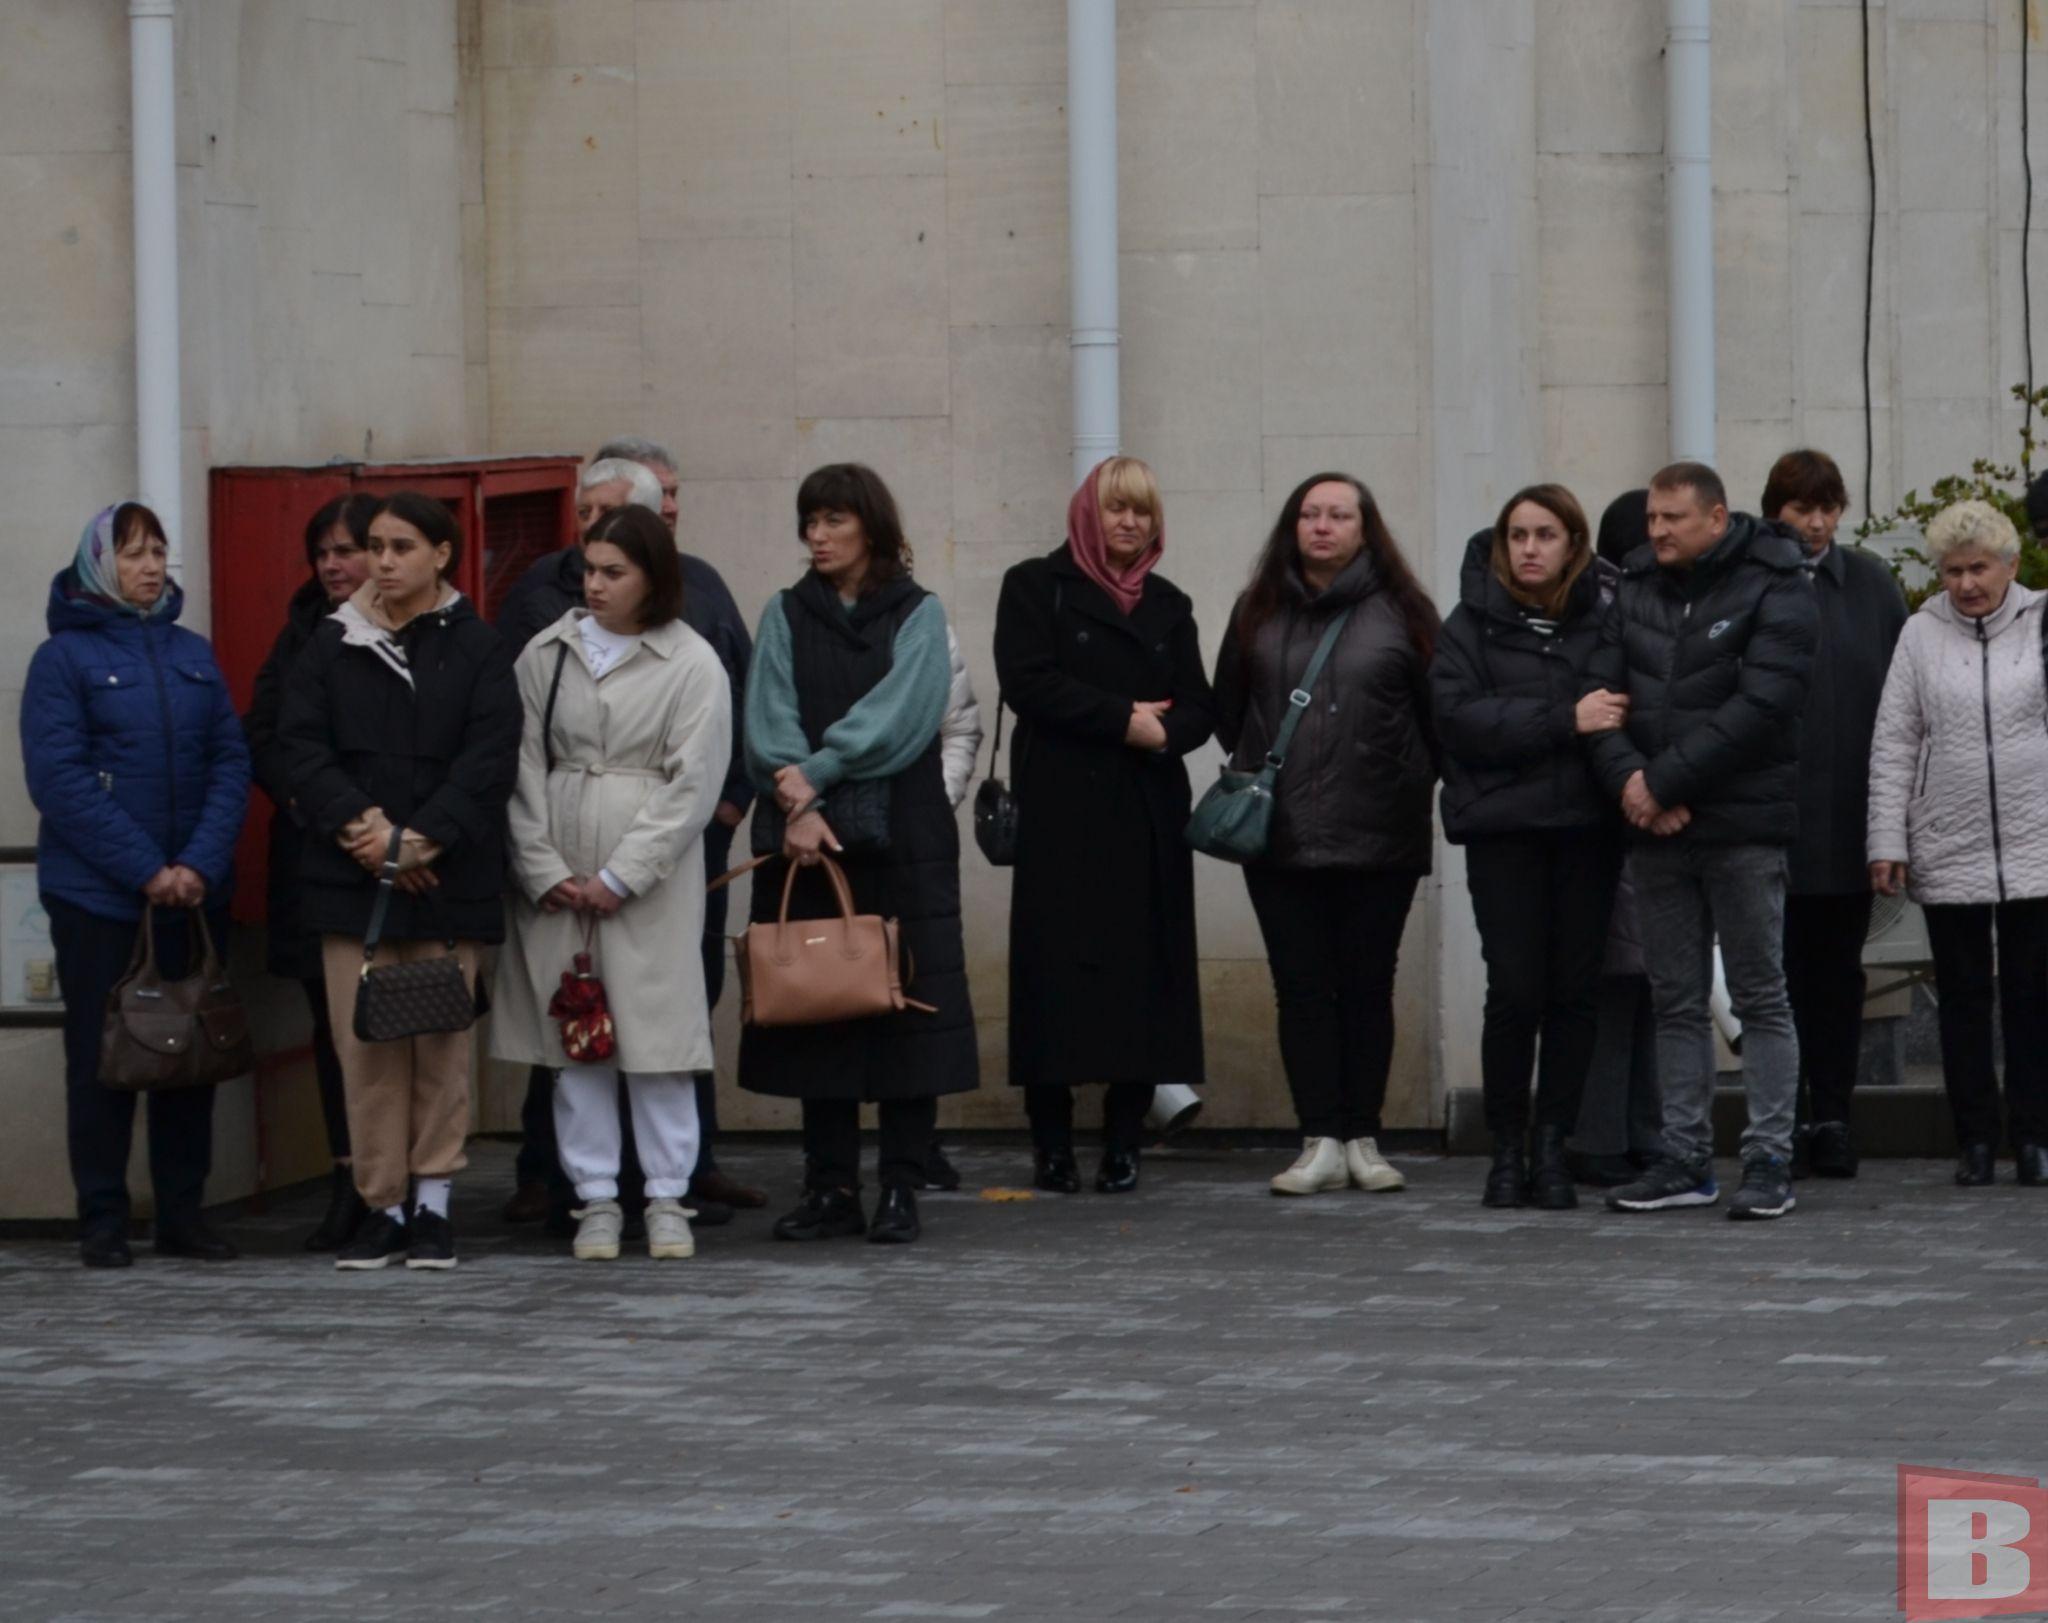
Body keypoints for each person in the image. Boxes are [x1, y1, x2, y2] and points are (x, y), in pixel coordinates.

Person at [497, 447, 765, 1224]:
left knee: (658, 1040)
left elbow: (693, 781)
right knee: (573, 1037)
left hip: (648, 881)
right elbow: (517, 765)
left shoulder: (691, 661)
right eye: (590, 567)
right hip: (560, 866)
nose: (594, 583)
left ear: (652, 574)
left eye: (613, 570)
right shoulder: (544, 653)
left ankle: (666, 1194)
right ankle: (593, 1196)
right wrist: (544, 866)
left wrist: (622, 875)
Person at [279, 493, 522, 1270]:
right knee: (369, 1051)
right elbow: (300, 747)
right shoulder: (330, 641)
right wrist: (370, 837)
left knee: (441, 1048)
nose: (382, 561)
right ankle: (381, 1205)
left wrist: (420, 842)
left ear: (442, 554)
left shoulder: (479, 647)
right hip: (354, 883)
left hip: (448, 878)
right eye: (375, 546)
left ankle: (434, 1206)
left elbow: (489, 757)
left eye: (401, 546)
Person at [740, 463, 977, 1245]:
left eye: (834, 520)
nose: (817, 535)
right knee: (820, 1006)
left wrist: (815, 774)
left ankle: (902, 1185)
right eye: (809, 521)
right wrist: (797, 798)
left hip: (903, 839)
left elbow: (902, 717)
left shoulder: (917, 611)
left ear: (870, 526)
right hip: (803, 836)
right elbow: (767, 709)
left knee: (907, 1013)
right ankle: (830, 1185)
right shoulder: (783, 612)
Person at [22, 502, 253, 1269]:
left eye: (159, 552)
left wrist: (198, 864)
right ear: (98, 564)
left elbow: (229, 759)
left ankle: (183, 1212)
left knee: (188, 1043)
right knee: (104, 1054)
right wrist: (146, 869)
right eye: (133, 554)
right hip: (99, 896)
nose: (151, 567)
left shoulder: (192, 652)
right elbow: (59, 781)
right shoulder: (63, 661)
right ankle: (103, 1218)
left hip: (193, 889)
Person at [1586, 462, 1818, 1220]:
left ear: (1717, 518)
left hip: (1743, 826)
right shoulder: (1636, 586)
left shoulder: (1777, 581)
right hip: (1656, 826)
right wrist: (1632, 783)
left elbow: (1764, 704)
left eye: (1672, 518)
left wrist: (1664, 783)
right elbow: (1600, 699)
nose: (1656, 531)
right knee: (1675, 1000)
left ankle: (1769, 1160)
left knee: (1759, 997)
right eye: (1651, 518)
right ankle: (1684, 1158)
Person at [1212, 473, 1438, 1198]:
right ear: (1292, 526)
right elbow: (1228, 711)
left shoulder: (1405, 612)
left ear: (1366, 529)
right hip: (1279, 838)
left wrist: (1398, 775)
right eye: (1310, 513)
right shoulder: (1256, 610)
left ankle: (1363, 1137)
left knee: (1369, 987)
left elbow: (1437, 719)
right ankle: (1318, 1138)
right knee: (1301, 989)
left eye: (1340, 514)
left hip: (1380, 833)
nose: (1322, 526)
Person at [994, 457, 1212, 1195]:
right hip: (1062, 813)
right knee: (1054, 981)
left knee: (1141, 984)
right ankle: (1051, 1144)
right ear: (1089, 513)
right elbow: (1028, 682)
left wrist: (1164, 735)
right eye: (1116, 509)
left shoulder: (1170, 602)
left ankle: (1125, 1142)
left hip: (1147, 814)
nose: (1129, 523)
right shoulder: (1035, 586)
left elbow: (1199, 705)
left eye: (1142, 511)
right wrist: (1126, 720)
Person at [1432, 485, 1626, 1209]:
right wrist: (1563, 719)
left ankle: (1554, 1147)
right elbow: (1459, 719)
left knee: (1575, 993)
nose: (1530, 547)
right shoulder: (1467, 625)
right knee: (1514, 990)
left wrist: (1561, 725)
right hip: (1504, 832)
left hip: (1585, 830)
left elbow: (1617, 710)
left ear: (1573, 544)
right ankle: (1505, 1150)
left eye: (1546, 534)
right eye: (1517, 534)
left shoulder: (1602, 625)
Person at [1868, 499, 2048, 1187]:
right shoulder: (1920, 634)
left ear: (2011, 564)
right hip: (1949, 838)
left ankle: (2034, 1136)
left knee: (2034, 995)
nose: (1967, 583)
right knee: (1965, 998)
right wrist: (1887, 838)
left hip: (2037, 840)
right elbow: (1894, 742)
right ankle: (1974, 1139)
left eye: (1979, 568)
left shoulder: (2041, 621)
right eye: (1952, 570)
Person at [1762, 449, 1908, 1179]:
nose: (1816, 523)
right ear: (1773, 511)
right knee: (1775, 977)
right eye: (1800, 509)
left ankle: (1833, 1116)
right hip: (1769, 823)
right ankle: (1778, 1121)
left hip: (1853, 819)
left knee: (1838, 978)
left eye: (1828, 507)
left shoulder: (1873, 586)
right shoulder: (1751, 580)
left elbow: (1901, 705)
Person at [244, 493, 379, 1250]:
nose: (332, 564)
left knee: (403, 1028)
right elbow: (263, 733)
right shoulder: (299, 633)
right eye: (322, 551)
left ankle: (408, 1186)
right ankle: (347, 1180)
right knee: (332, 1033)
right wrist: (312, 802)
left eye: (346, 549)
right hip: (314, 858)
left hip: (396, 863)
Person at [1568, 490, 1664, 1187]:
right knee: (1624, 985)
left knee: (1637, 985)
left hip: (1626, 816)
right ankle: (1610, 1134)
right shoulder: (1622, 608)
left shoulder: (1608, 601)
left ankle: (1630, 1131)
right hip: (1628, 816)